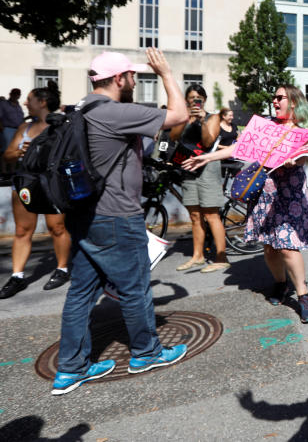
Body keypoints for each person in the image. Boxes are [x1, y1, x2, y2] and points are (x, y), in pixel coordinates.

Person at [53, 49, 189, 395]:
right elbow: (179, 114)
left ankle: (70, 369)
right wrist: (165, 73)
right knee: (135, 287)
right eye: (132, 76)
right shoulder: (114, 112)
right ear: (118, 79)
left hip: (85, 215)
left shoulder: (82, 108)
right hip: (116, 216)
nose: (134, 81)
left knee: (81, 294)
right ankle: (147, 352)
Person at [184, 85, 308, 324]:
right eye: (274, 97)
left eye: (280, 98)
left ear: (294, 102)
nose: (275, 101)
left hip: (290, 195)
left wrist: (293, 160)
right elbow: (239, 148)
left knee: (287, 246)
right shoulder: (266, 125)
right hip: (265, 194)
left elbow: (307, 156)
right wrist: (207, 157)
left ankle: (303, 294)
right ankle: (280, 284)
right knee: (269, 246)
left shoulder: (304, 130)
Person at [0, 84, 71, 299]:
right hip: (26, 184)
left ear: (42, 102)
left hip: (52, 184)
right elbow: (8, 155)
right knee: (22, 230)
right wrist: (20, 151)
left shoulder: (61, 126)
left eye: (29, 99)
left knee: (56, 227)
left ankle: (62, 269)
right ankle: (18, 276)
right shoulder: (24, 127)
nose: (25, 103)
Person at [169, 85, 229, 273]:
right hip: (188, 167)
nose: (195, 101)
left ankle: (221, 256)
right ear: (186, 100)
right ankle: (198, 256)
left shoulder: (213, 117)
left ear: (204, 99)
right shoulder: (183, 116)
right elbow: (174, 136)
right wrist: (186, 118)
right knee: (195, 215)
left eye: (199, 98)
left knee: (211, 215)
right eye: (191, 98)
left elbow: (208, 142)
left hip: (207, 168)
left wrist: (202, 120)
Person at [0, 88, 24, 168]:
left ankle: (12, 170)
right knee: (6, 150)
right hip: (8, 129)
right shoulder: (3, 104)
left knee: (15, 150)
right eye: (15, 94)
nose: (16, 96)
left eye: (18, 94)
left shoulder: (18, 105)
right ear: (11, 94)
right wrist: (2, 129)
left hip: (18, 130)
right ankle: (4, 170)